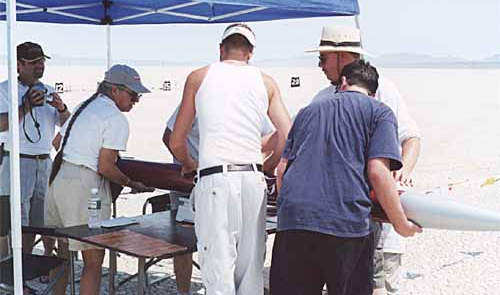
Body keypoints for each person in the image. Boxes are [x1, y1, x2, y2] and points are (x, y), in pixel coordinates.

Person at [270, 60, 422, 295]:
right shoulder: (379, 112)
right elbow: (378, 172)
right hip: (346, 225)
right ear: (372, 93)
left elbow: (282, 171)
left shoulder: (307, 112)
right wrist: (401, 223)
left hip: (294, 221)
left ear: (343, 82)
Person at [170, 23, 291, 295]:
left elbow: (176, 141)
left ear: (221, 49)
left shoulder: (199, 77)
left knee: (218, 269)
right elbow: (287, 134)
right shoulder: (266, 82)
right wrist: (269, 165)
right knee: (251, 272)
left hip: (216, 178)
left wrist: (189, 163)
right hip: (253, 178)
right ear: (250, 53)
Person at [307, 25, 421, 295]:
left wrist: (401, 172)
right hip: (337, 228)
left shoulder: (383, 91)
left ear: (343, 56)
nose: (320, 66)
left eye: (323, 58)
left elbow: (411, 138)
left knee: (379, 285)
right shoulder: (322, 99)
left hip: (380, 222)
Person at [44, 64, 154, 295]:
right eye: (133, 94)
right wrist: (131, 183)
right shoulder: (115, 119)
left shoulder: (83, 106)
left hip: (59, 180)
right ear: (115, 91)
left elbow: (57, 143)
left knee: (61, 256)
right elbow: (105, 166)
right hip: (85, 187)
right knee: (93, 260)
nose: (136, 100)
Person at [162, 107, 276, 295]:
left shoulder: (250, 102)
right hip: (193, 180)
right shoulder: (199, 98)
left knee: (230, 246)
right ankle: (184, 291)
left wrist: (255, 161)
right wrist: (189, 163)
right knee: (183, 243)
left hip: (228, 181)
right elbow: (170, 137)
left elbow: (272, 137)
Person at [0, 42, 71, 291]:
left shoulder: (49, 90)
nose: (40, 66)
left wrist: (61, 107)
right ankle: (13, 272)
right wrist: (26, 106)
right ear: (18, 65)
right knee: (14, 221)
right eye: (34, 62)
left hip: (45, 162)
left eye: (42, 61)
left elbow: (67, 125)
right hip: (17, 161)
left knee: (41, 220)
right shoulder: (5, 90)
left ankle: (34, 267)